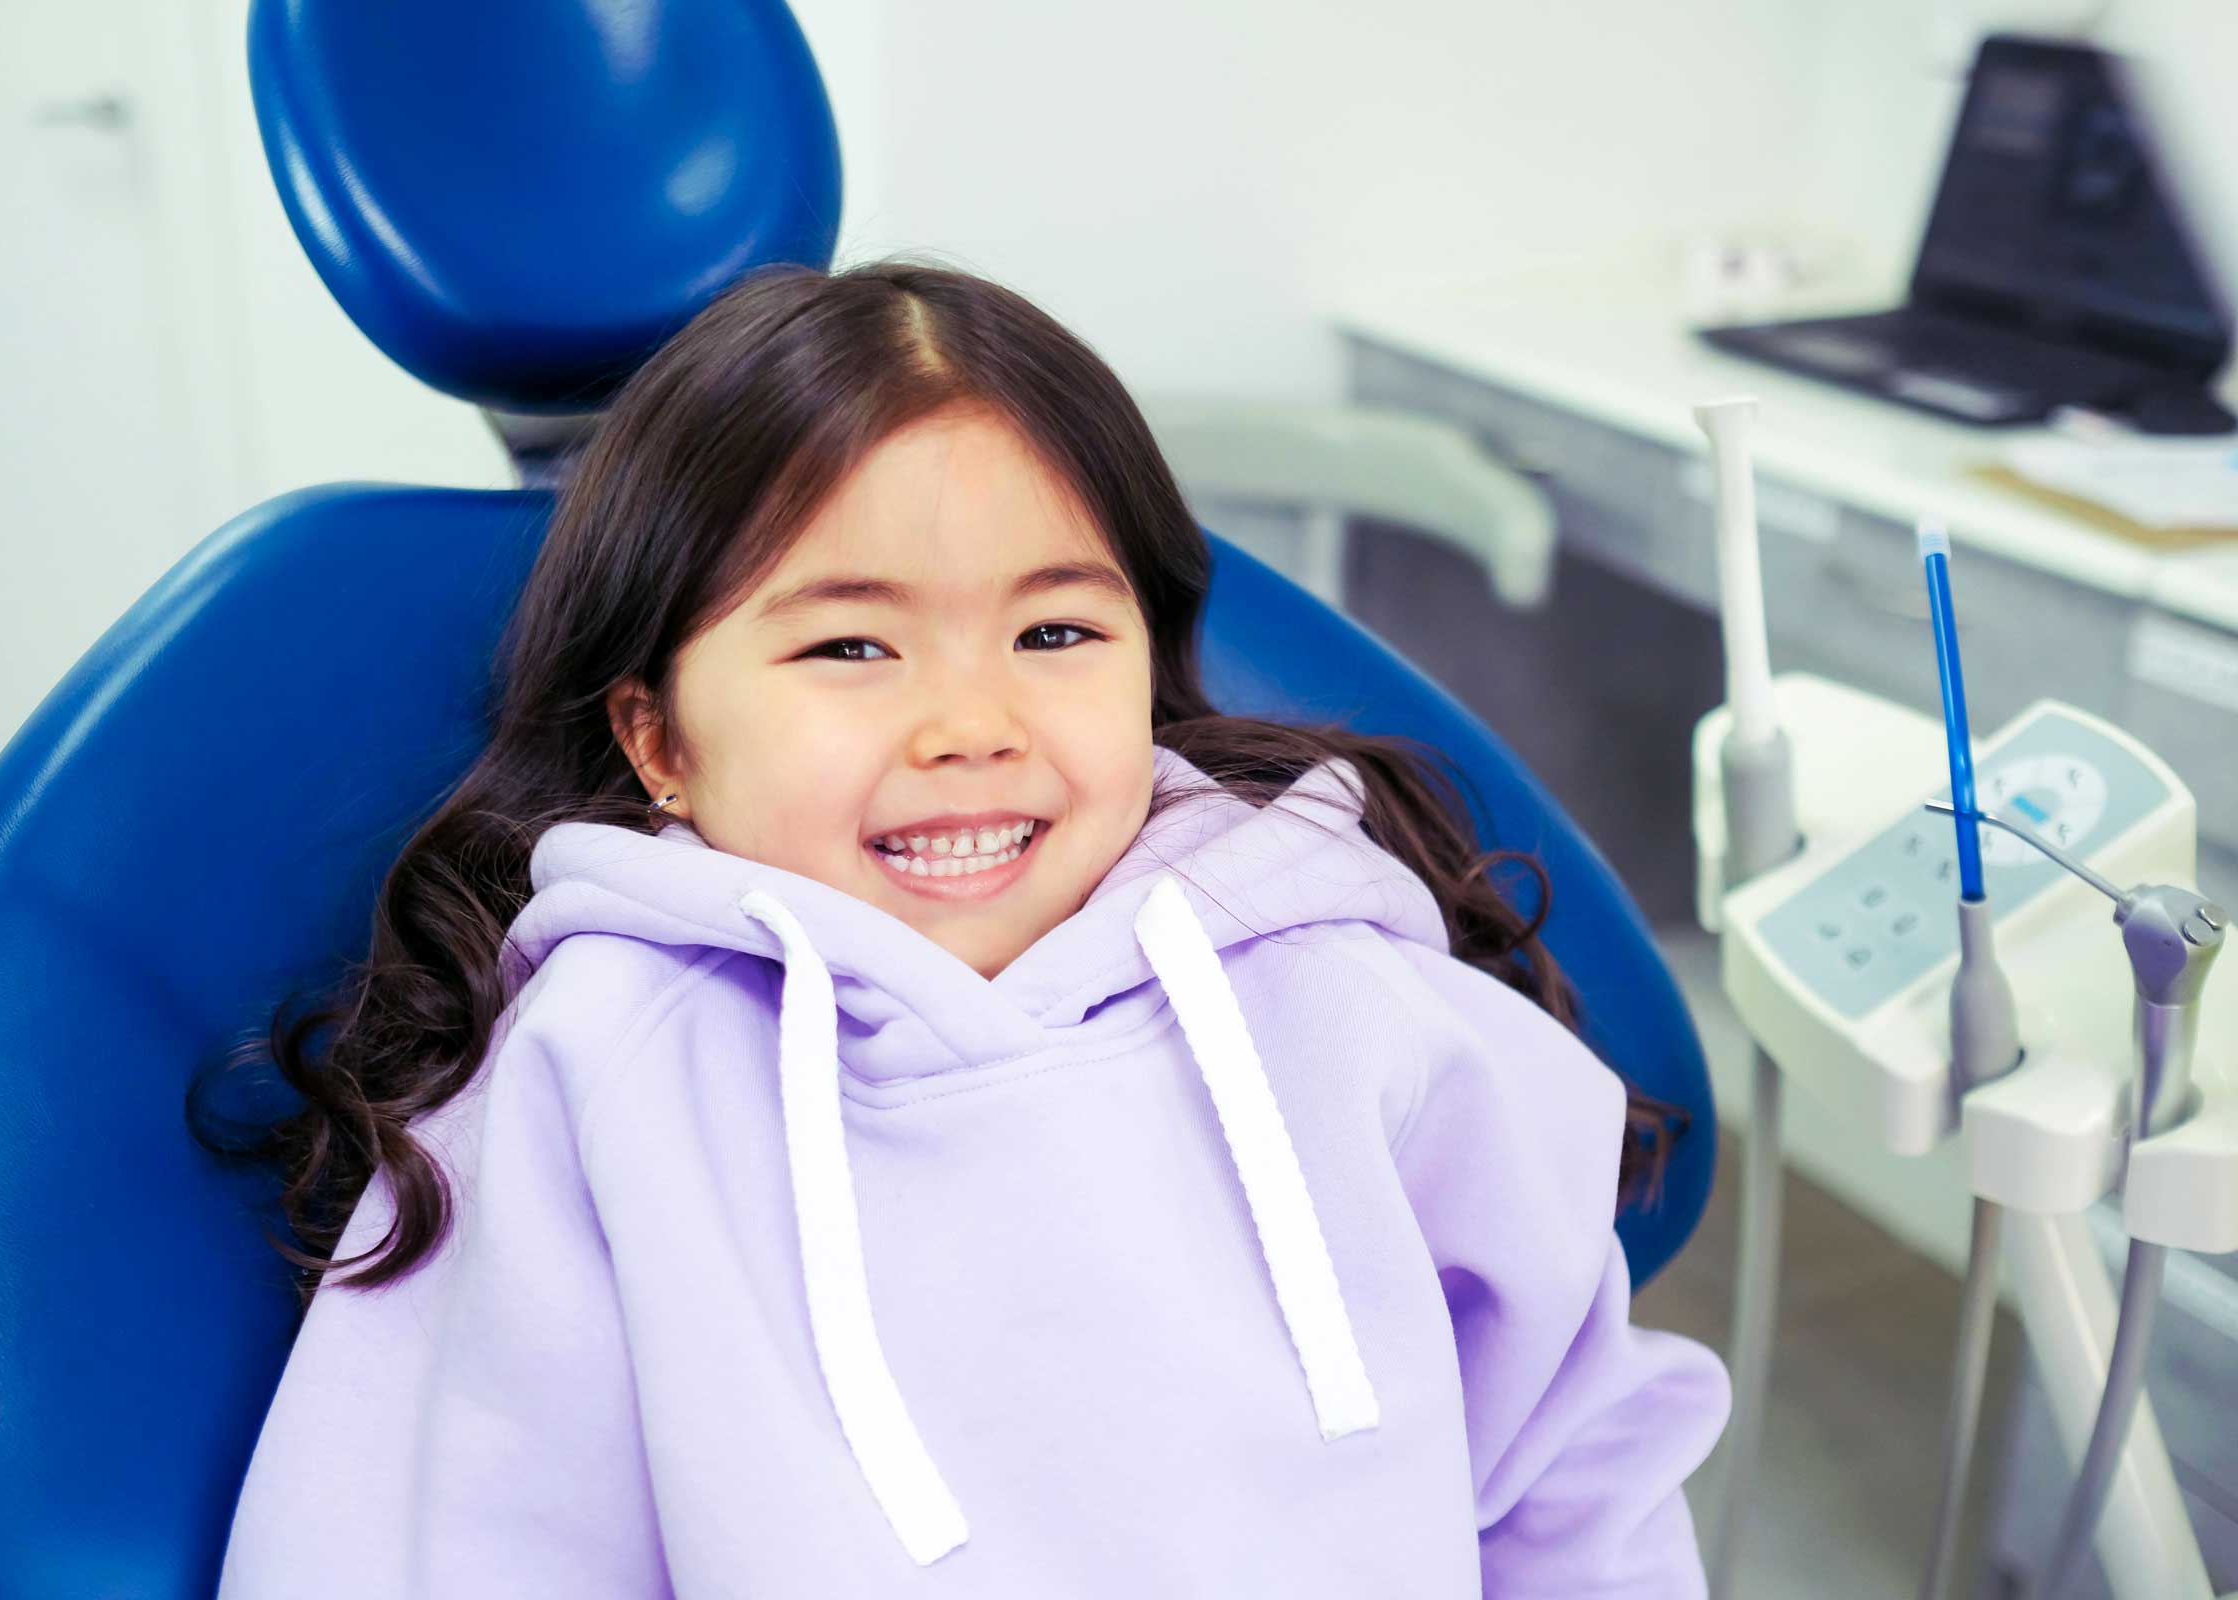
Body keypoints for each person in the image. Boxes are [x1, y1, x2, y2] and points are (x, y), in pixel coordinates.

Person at [201, 259, 1728, 1596]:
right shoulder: (598, 1080)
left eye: (1056, 632)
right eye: (850, 643)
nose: (973, 725)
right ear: (659, 741)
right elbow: (438, 1555)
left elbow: (1571, 1470)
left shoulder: (1338, 993)